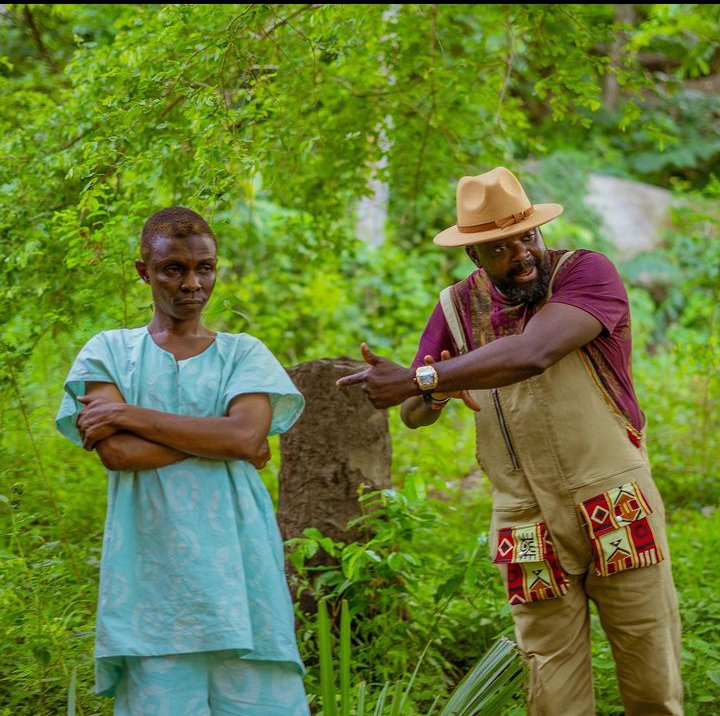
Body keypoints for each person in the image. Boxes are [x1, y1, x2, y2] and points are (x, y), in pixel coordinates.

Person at [337, 167, 683, 715]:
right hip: (525, 519)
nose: (522, 253)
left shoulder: (585, 273)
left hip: (611, 499)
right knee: (550, 683)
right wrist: (430, 391)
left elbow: (533, 353)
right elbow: (413, 413)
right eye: (499, 247)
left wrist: (424, 377)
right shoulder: (455, 307)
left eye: (527, 236)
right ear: (475, 257)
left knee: (650, 670)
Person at [56, 207, 310, 716]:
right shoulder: (107, 352)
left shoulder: (244, 353)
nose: (192, 283)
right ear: (143, 271)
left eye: (205, 268)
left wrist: (128, 412)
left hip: (242, 579)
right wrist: (226, 438)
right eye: (173, 268)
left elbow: (244, 437)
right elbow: (119, 453)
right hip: (152, 583)